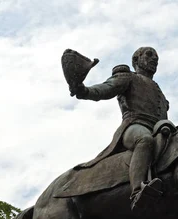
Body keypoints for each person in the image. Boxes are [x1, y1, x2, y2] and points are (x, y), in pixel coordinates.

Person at [73, 47, 170, 210]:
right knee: (144, 140)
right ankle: (138, 191)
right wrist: (84, 91)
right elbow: (105, 89)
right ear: (136, 61)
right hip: (135, 126)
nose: (154, 59)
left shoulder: (159, 90)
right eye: (149, 54)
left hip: (159, 129)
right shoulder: (128, 77)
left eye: (157, 57)